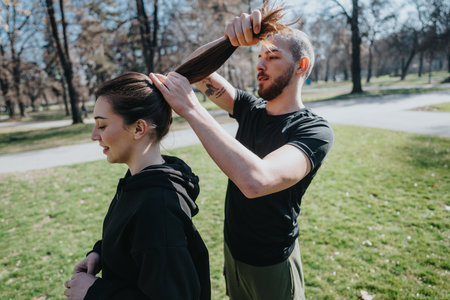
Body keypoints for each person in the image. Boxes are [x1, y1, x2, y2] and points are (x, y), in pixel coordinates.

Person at [149, 7, 334, 300]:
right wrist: (229, 41)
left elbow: (256, 181)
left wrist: (191, 109)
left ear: (301, 65)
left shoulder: (314, 130)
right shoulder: (249, 108)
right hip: (233, 252)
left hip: (272, 262)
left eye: (272, 57)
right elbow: (194, 71)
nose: (261, 64)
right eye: (260, 57)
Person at [63, 72, 210, 300]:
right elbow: (135, 239)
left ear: (139, 129)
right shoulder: (137, 182)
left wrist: (95, 292)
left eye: (102, 125)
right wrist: (100, 253)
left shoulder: (157, 207)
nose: (94, 135)